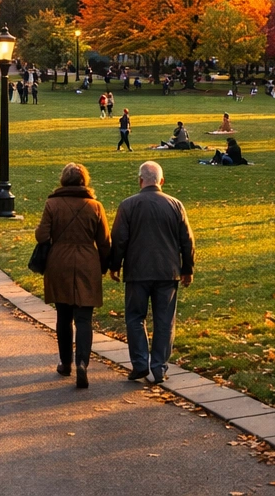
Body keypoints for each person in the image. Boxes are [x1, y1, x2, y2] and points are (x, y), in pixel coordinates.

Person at [109, 161, 194, 385]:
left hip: (137, 271)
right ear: (161, 181)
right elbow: (187, 240)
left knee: (135, 317)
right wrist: (187, 269)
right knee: (164, 320)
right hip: (168, 271)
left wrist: (114, 264)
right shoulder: (175, 205)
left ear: (140, 180)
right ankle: (159, 367)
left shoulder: (128, 205)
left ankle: (139, 363)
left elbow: (119, 239)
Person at [36, 163, 111, 389]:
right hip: (87, 262)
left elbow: (42, 236)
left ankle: (66, 362)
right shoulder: (95, 206)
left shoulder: (52, 204)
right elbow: (105, 241)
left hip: (59, 262)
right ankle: (83, 364)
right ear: (84, 181)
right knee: (84, 319)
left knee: (63, 316)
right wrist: (105, 266)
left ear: (63, 180)